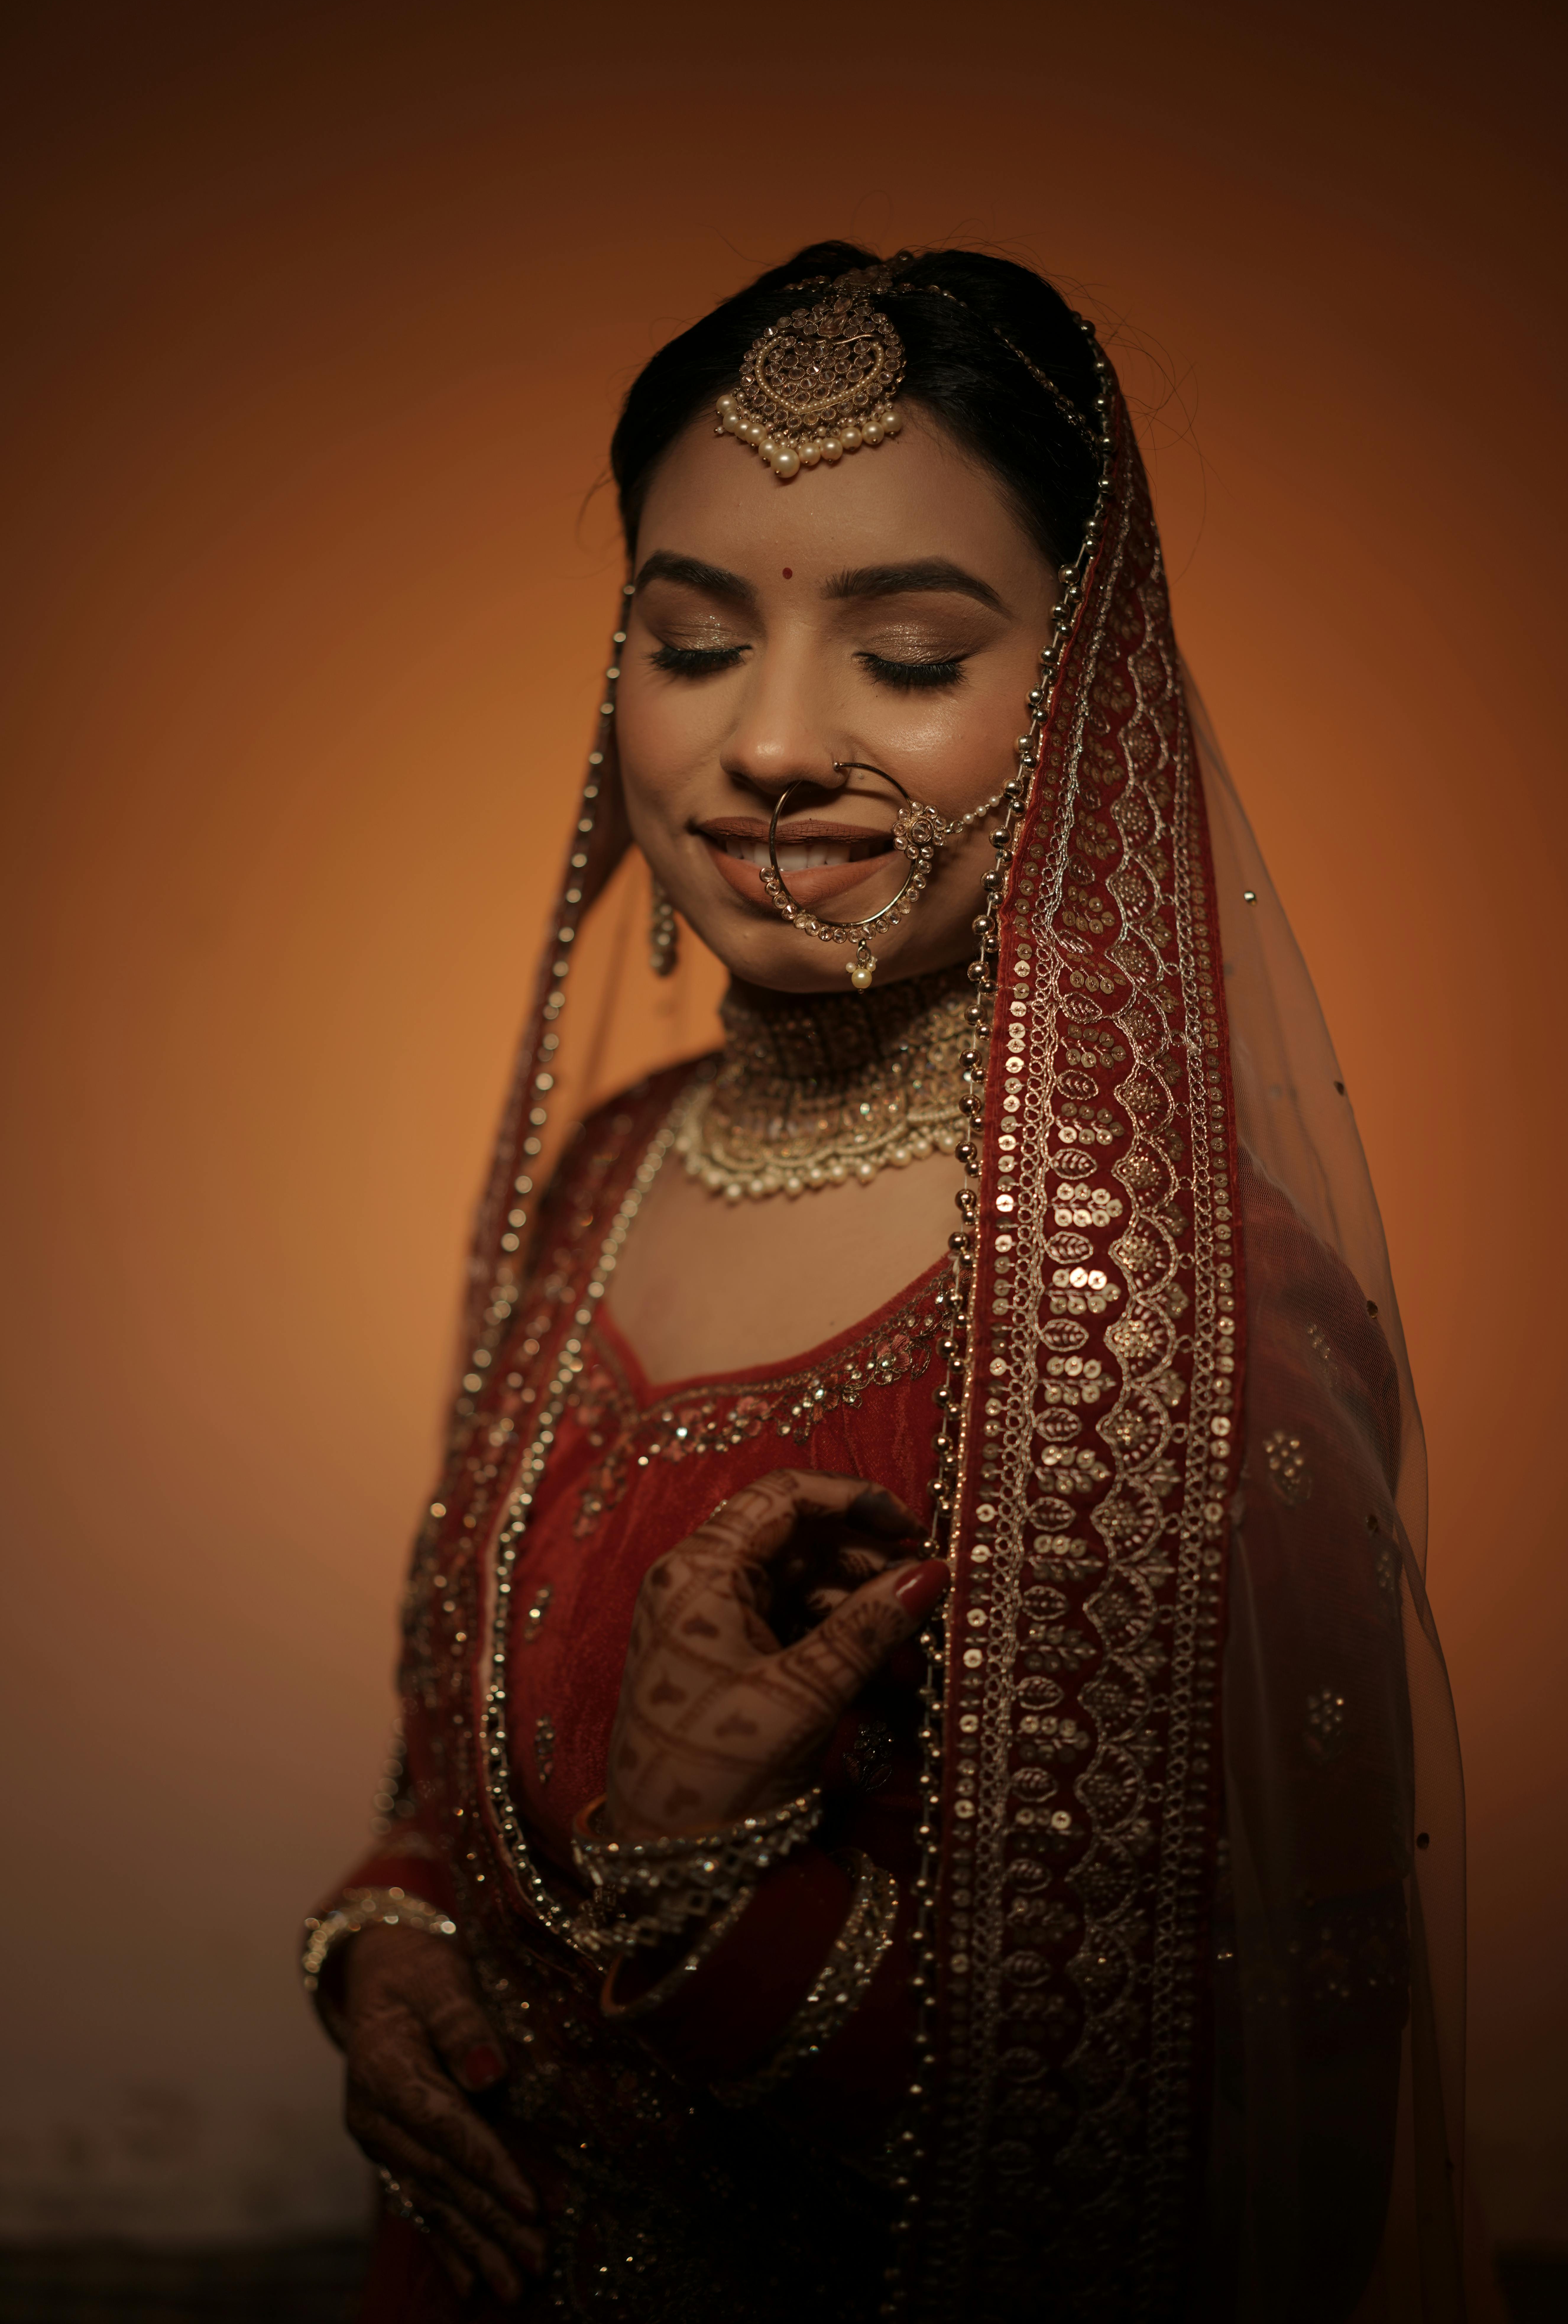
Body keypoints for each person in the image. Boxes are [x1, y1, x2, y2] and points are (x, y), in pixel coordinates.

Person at [301, 244, 1467, 2322]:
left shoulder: (1167, 1313)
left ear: (1086, 700)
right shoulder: (604, 1178)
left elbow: (1248, 2155)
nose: (766, 741)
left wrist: (707, 1894)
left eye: (911, 656)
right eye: (688, 641)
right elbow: (450, 1762)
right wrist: (388, 1944)